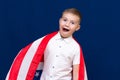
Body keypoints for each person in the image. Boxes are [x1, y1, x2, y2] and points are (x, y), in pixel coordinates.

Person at [6, 8, 88, 80]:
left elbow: (77, 73)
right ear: (59, 21)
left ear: (77, 27)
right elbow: (32, 55)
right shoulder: (47, 41)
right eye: (65, 20)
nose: (67, 24)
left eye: (72, 23)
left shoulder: (75, 47)